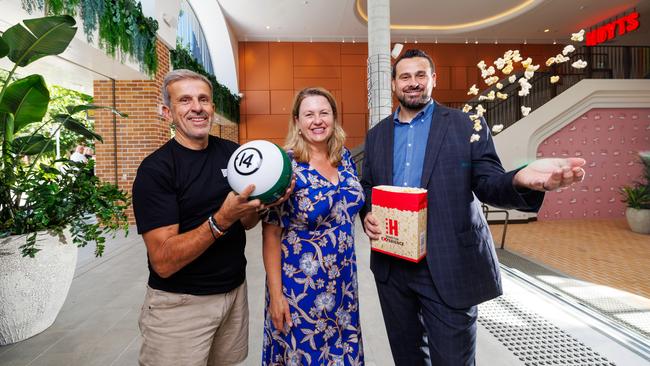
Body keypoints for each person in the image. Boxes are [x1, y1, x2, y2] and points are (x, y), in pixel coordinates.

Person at [360, 49, 586, 366]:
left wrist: (520, 179)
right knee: (407, 358)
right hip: (393, 267)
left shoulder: (466, 125)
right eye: (406, 77)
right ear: (394, 84)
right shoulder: (376, 136)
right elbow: (368, 186)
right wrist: (368, 213)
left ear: (433, 80)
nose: (413, 83)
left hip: (448, 264)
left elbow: (488, 182)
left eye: (421, 75)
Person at [132, 69, 291, 366]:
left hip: (233, 295)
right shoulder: (156, 171)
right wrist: (221, 220)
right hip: (180, 305)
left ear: (213, 110)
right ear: (168, 111)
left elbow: (246, 221)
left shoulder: (232, 154)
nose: (197, 107)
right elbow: (163, 262)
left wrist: (266, 202)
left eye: (204, 99)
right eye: (185, 100)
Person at [261, 87, 365, 365]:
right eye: (309, 114)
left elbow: (351, 207)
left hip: (343, 287)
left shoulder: (345, 162)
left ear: (334, 117)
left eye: (324, 113)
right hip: (301, 290)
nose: (317, 120)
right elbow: (271, 234)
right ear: (297, 121)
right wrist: (276, 295)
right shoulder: (285, 167)